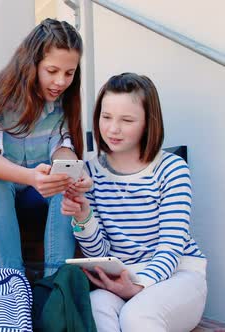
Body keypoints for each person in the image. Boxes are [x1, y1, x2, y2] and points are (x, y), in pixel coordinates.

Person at [61, 73, 207, 331]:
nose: (113, 129)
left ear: (148, 124)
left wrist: (139, 286)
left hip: (178, 276)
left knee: (137, 315)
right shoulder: (90, 173)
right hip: (121, 278)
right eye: (106, 118)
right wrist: (83, 216)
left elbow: (171, 246)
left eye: (126, 120)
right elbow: (100, 255)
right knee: (95, 307)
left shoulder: (172, 169)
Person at [0, 18, 90, 277]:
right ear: (31, 63)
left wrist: (71, 170)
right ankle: (12, 278)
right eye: (52, 71)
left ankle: (55, 280)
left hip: (41, 192)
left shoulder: (64, 104)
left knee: (65, 183)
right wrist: (31, 177)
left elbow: (63, 146)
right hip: (6, 189)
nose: (60, 81)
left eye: (69, 73)